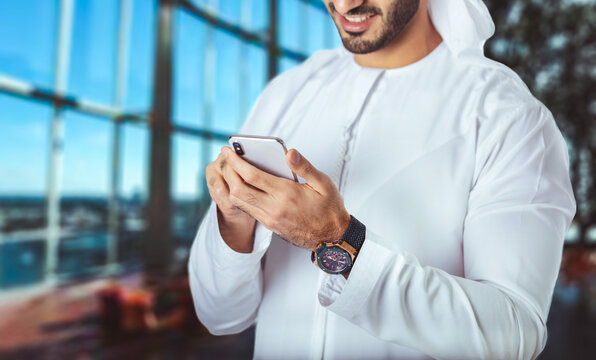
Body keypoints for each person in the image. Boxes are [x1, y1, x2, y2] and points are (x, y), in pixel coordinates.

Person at [188, 0, 576, 358]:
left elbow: (513, 334)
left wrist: (341, 242)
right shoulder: (288, 93)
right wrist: (235, 223)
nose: (344, 4)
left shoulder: (507, 117)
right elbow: (220, 316)